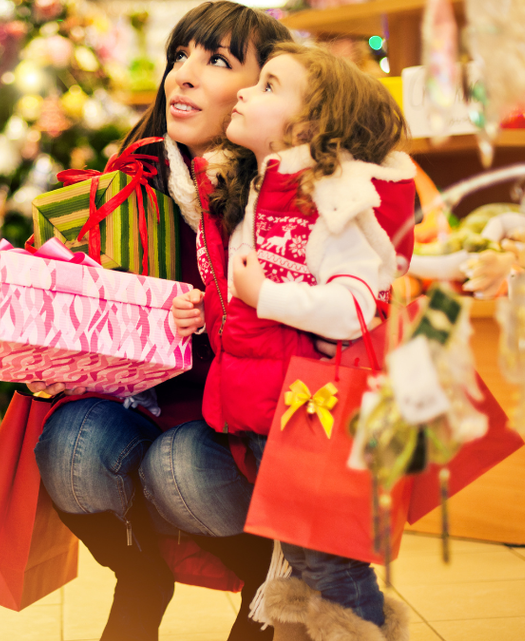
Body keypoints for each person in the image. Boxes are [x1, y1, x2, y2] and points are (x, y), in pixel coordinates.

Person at [29, 4, 301, 641]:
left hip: (241, 419)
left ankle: (265, 584)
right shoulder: (133, 180)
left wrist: (214, 316)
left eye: (216, 61)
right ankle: (141, 577)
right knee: (69, 448)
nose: (184, 75)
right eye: (181, 56)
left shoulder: (284, 191)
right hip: (144, 397)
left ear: (269, 88)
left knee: (179, 468)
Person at [155, 42, 416, 641]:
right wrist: (212, 306)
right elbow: (248, 285)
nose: (245, 91)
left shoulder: (334, 202)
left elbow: (356, 305)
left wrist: (262, 295)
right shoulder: (260, 192)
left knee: (333, 567)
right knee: (305, 561)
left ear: (312, 124)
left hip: (312, 415)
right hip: (273, 411)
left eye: (269, 86)